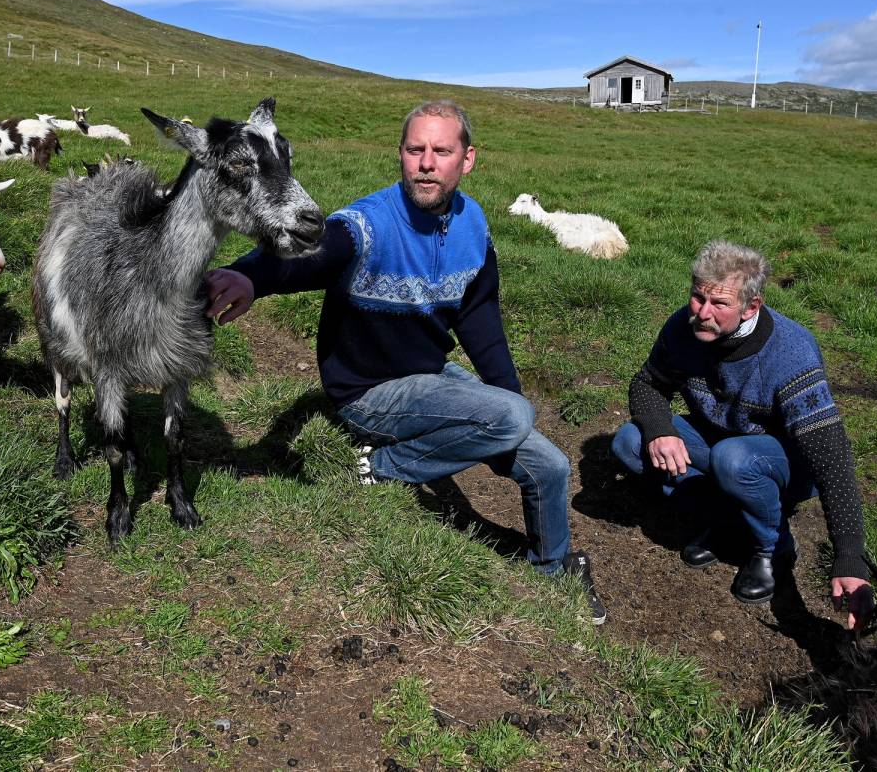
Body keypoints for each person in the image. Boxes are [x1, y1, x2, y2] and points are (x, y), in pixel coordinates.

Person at [205, 99, 606, 625]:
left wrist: (507, 393)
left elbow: (481, 324)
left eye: (441, 150)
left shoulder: (473, 225)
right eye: (415, 149)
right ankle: (380, 467)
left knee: (550, 462)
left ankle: (551, 571)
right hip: (369, 393)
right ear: (401, 155)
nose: (426, 162)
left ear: (467, 160)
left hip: (430, 376)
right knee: (511, 418)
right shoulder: (370, 223)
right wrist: (251, 277)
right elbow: (318, 249)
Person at [610, 240, 873, 626]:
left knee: (733, 459)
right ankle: (727, 518)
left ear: (752, 307)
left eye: (719, 304)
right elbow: (648, 384)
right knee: (631, 442)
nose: (702, 313)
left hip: (782, 460)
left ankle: (773, 548)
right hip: (720, 435)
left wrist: (850, 556)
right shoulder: (683, 327)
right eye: (698, 297)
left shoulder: (790, 353)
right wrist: (660, 429)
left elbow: (832, 460)